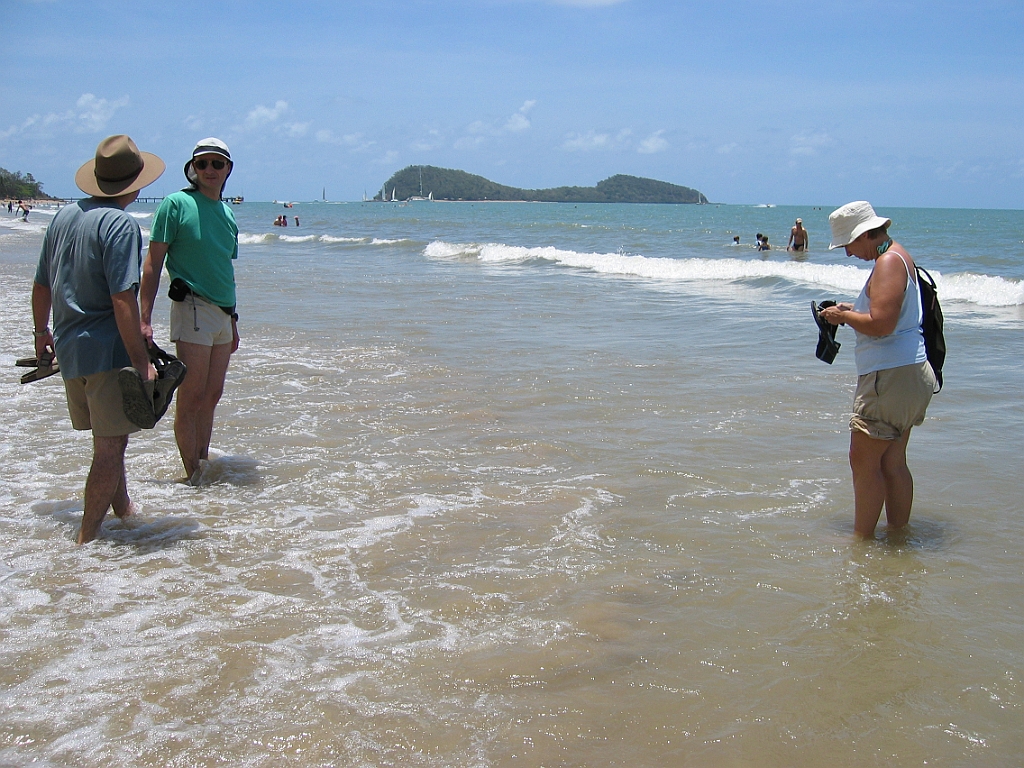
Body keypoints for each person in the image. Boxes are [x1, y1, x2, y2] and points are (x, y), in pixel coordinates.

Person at [31, 135, 164, 543]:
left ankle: (123, 510)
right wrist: (141, 362)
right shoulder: (121, 225)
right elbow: (122, 300)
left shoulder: (64, 217)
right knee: (110, 448)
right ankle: (86, 539)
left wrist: (40, 332)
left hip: (70, 350)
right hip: (107, 353)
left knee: (109, 438)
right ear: (135, 184)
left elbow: (41, 285)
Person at [819, 201, 935, 538]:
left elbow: (882, 325)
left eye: (848, 244)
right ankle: (898, 537)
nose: (848, 253)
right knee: (893, 462)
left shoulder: (887, 263)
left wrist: (843, 317)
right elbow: (890, 313)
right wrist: (852, 309)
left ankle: (862, 544)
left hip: (889, 377)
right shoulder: (899, 256)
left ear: (864, 235)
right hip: (909, 373)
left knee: (863, 461)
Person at [140, 138, 239, 485]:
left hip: (223, 314)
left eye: (217, 163)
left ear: (228, 169)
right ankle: (193, 475)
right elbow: (153, 263)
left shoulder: (227, 213)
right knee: (192, 395)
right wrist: (144, 319)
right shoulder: (176, 204)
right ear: (193, 168)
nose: (210, 170)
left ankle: (201, 463)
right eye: (203, 163)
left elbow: (223, 268)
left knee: (212, 395)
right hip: (192, 306)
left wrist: (233, 319)